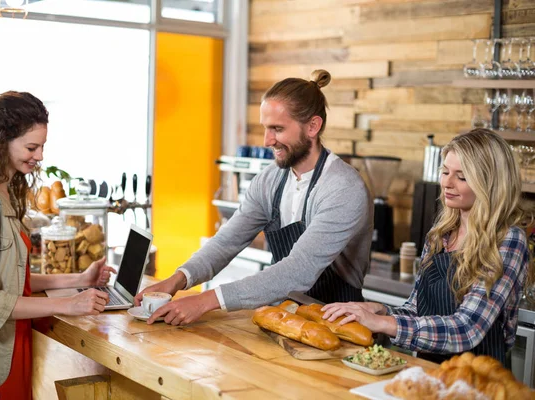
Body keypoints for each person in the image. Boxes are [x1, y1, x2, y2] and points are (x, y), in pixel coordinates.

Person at [136, 69, 373, 325]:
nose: (267, 140)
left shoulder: (342, 187)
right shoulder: (270, 180)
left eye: (277, 129)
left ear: (313, 126)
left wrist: (206, 300)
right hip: (285, 318)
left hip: (340, 324)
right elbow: (228, 241)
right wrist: (177, 279)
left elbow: (298, 271)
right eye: (265, 128)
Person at [0, 91, 116, 399]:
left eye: (42, 146)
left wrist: (78, 280)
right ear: (1, 142)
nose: (41, 155)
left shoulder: (4, 192)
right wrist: (67, 304)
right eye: (32, 147)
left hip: (9, 344)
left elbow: (10, 279)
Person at [322, 129, 534, 366]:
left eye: (461, 177)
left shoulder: (508, 239)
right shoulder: (440, 235)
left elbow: (467, 329)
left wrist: (383, 324)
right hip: (427, 370)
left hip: (479, 379)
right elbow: (416, 311)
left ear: (491, 183)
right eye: (445, 172)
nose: (447, 183)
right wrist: (381, 312)